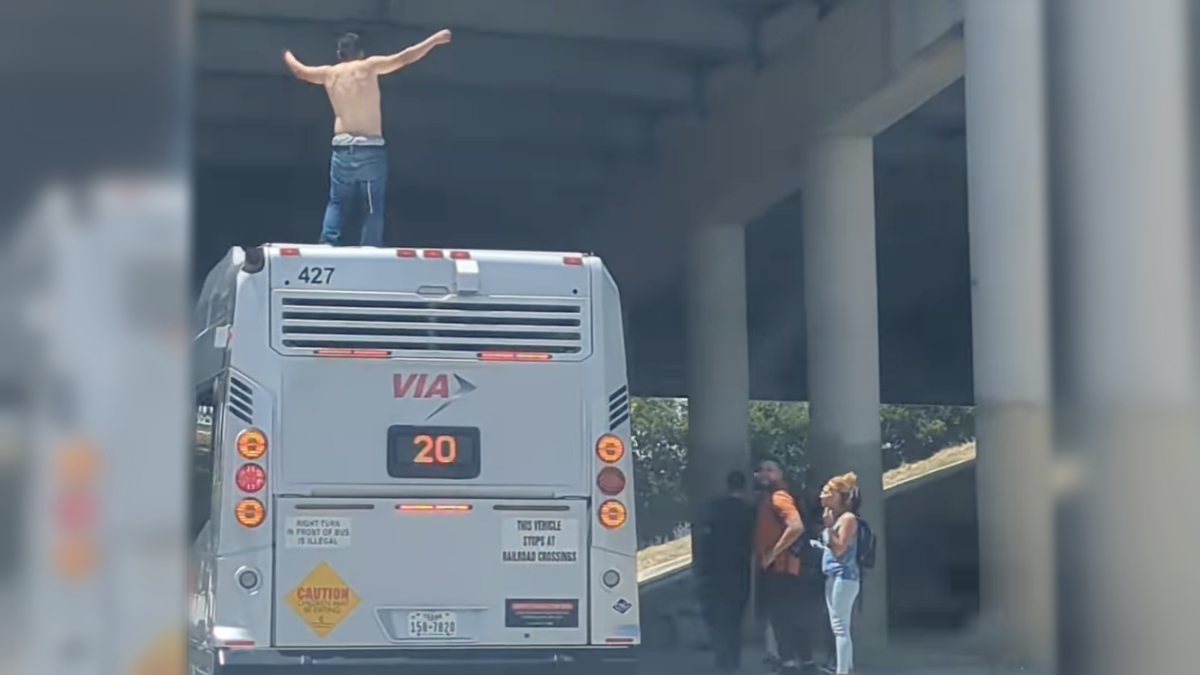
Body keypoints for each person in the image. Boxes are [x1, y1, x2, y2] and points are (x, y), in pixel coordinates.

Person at [282, 30, 452, 247]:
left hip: (342, 148)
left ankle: (327, 241)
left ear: (339, 54)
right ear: (360, 53)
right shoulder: (369, 66)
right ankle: (370, 246)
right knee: (372, 206)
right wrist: (434, 40)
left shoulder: (328, 74)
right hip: (369, 148)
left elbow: (300, 71)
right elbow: (404, 57)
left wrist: (284, 52)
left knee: (337, 202)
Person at [753, 459, 816, 673]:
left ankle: (791, 664)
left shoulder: (779, 497)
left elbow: (796, 526)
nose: (764, 474)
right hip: (785, 570)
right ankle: (804, 663)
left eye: (770, 470)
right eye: (761, 470)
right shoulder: (768, 498)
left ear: (780, 474)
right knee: (791, 618)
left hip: (783, 571)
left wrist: (773, 553)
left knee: (782, 620)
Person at [693, 470, 756, 673]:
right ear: (744, 487)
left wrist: (700, 568)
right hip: (739, 572)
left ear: (727, 485)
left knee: (716, 616)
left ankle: (721, 657)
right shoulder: (750, 512)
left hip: (713, 571)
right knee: (735, 618)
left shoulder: (712, 509)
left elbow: (703, 541)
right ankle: (733, 658)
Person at [808, 473, 863, 675]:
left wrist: (829, 527)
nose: (821, 495)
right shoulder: (838, 519)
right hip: (835, 576)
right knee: (839, 627)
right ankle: (845, 668)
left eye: (826, 492)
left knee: (840, 628)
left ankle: (843, 671)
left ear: (838, 496)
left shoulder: (847, 519)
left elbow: (839, 549)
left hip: (844, 577)